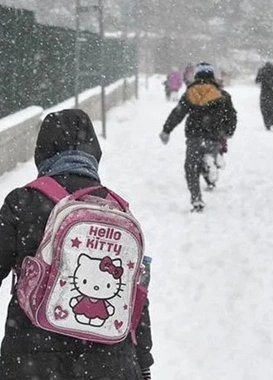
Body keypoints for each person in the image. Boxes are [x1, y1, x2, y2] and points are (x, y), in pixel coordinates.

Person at [0, 109, 154, 379]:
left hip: (32, 359)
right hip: (110, 362)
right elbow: (135, 297)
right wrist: (143, 363)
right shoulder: (116, 210)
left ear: (43, 152)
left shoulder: (23, 202)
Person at [159, 62, 237, 212]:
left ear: (197, 75)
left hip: (194, 136)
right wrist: (228, 131)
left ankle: (196, 199)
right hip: (214, 136)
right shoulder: (222, 95)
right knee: (208, 155)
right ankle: (212, 162)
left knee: (191, 168)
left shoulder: (190, 93)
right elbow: (231, 116)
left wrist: (166, 130)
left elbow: (178, 113)